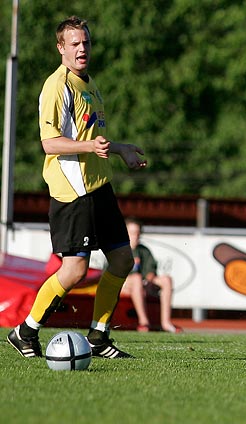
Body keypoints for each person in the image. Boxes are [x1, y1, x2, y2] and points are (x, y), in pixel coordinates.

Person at [6, 16, 146, 359]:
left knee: (123, 259)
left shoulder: (89, 83)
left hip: (99, 185)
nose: (82, 49)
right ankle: (25, 330)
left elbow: (89, 136)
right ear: (61, 48)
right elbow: (49, 143)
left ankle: (98, 337)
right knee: (75, 269)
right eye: (74, 44)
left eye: (86, 42)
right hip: (72, 190)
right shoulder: (57, 86)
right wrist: (90, 148)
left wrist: (119, 148)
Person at [121, 218, 182, 333]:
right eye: (132, 232)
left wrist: (148, 282)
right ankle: (144, 322)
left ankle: (166, 322)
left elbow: (150, 272)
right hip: (122, 286)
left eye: (138, 233)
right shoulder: (119, 250)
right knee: (136, 279)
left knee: (166, 280)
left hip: (141, 285)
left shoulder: (144, 250)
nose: (136, 236)